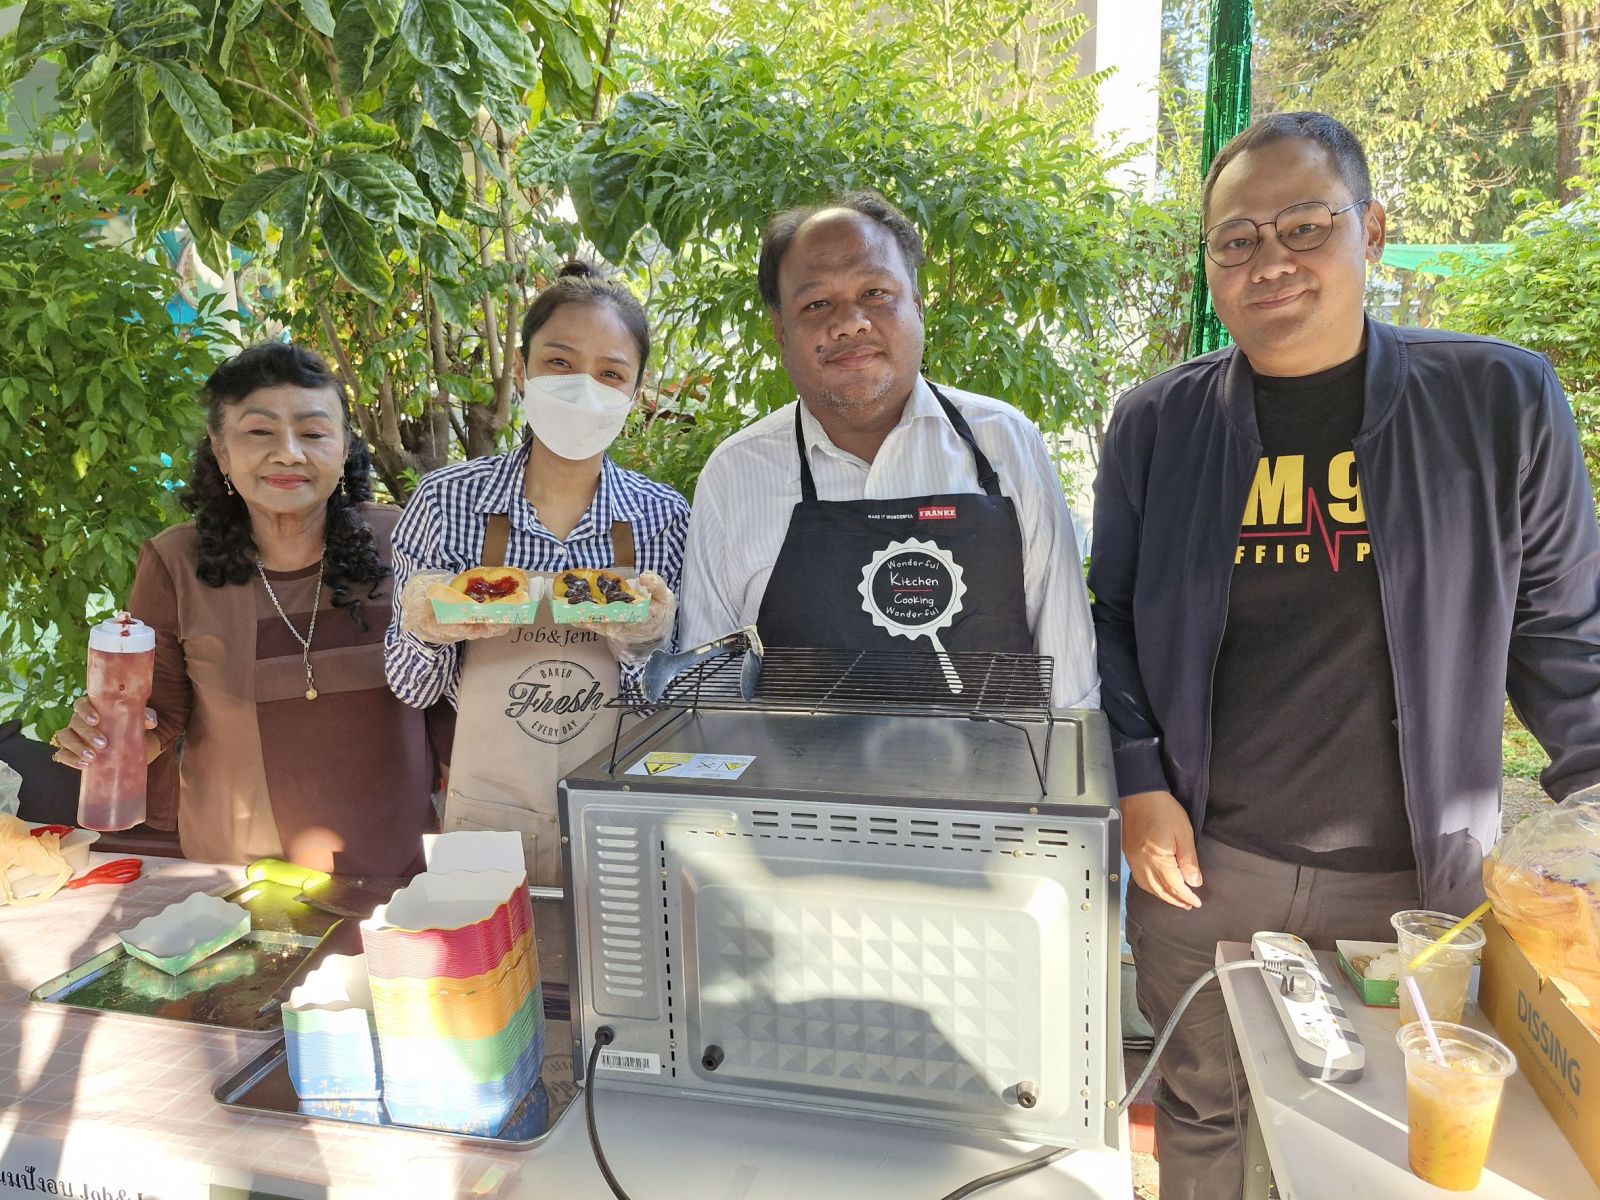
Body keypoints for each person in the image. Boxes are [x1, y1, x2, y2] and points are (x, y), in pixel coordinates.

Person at [1090, 111, 1600, 1200]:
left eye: (1305, 226)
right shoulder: (1158, 424)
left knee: (1393, 1142)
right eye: (1237, 239)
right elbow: (1112, 617)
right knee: (1202, 1106)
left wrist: (1595, 800)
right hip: (1205, 869)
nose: (1270, 259)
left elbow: (1563, 632)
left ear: (1369, 230)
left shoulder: (1499, 401)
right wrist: (1138, 779)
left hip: (1418, 884)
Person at [679, 190, 1097, 708]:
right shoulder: (735, 474)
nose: (850, 322)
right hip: (797, 766)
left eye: (875, 292)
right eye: (816, 303)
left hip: (998, 764)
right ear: (781, 332)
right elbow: (707, 693)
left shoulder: (1006, 442)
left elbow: (1071, 684)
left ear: (917, 307)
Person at [51, 342, 448, 874]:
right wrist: (106, 736)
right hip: (237, 881)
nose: (288, 453)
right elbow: (158, 719)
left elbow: (453, 705)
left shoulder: (406, 543)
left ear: (345, 448)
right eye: (260, 432)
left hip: (402, 875)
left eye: (313, 433)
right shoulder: (176, 563)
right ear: (221, 451)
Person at [386, 262, 689, 886]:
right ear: (522, 371)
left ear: (636, 393)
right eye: (559, 363)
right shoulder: (447, 501)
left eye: (610, 374)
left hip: (621, 814)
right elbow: (412, 691)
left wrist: (644, 644)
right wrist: (428, 629)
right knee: (494, 949)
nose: (584, 389)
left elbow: (674, 704)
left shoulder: (663, 518)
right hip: (488, 813)